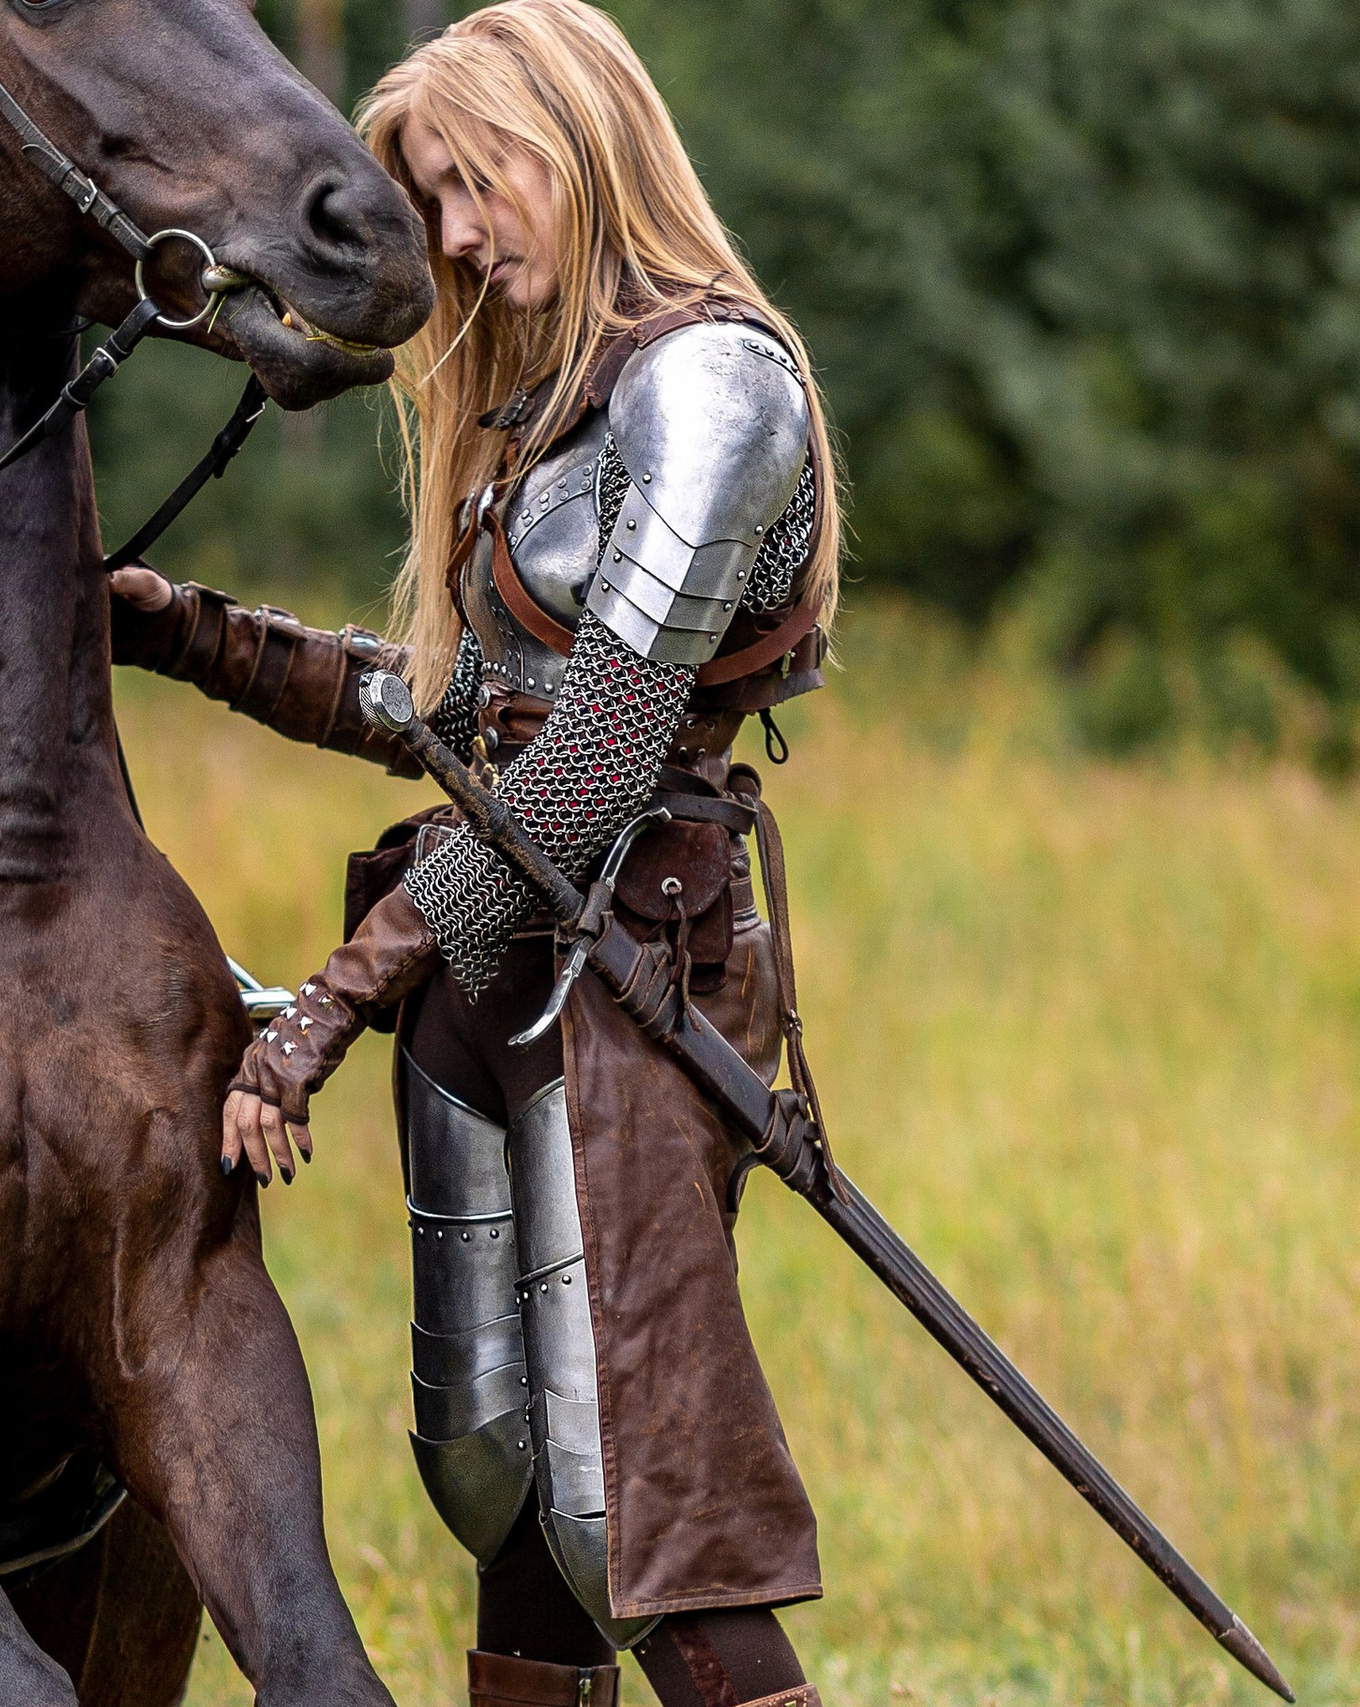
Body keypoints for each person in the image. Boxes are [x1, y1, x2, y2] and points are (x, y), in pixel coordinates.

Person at [111, 5, 840, 1705]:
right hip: (492, 976)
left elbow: (580, 777)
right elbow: (458, 716)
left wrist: (323, 1013)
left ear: (574, 137)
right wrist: (175, 629)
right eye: (426, 196)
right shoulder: (538, 410)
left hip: (638, 977)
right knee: (500, 1477)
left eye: (469, 181)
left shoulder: (712, 387)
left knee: (625, 1508)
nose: (447, 234)